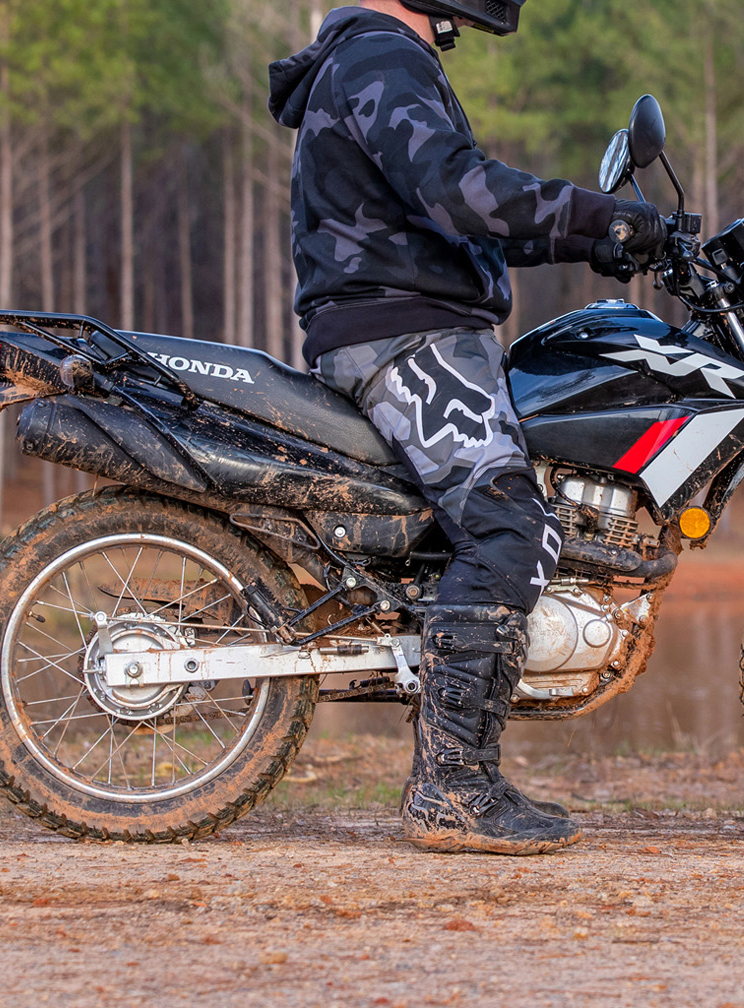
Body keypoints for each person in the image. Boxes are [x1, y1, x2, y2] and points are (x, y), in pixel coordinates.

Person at [268, 0, 666, 855]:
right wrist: (603, 216)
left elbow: (452, 217)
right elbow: (460, 192)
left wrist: (594, 242)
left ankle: (459, 763)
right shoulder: (379, 57)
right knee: (510, 526)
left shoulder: (377, 58)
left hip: (410, 326)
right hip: (404, 334)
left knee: (501, 519)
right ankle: (452, 787)